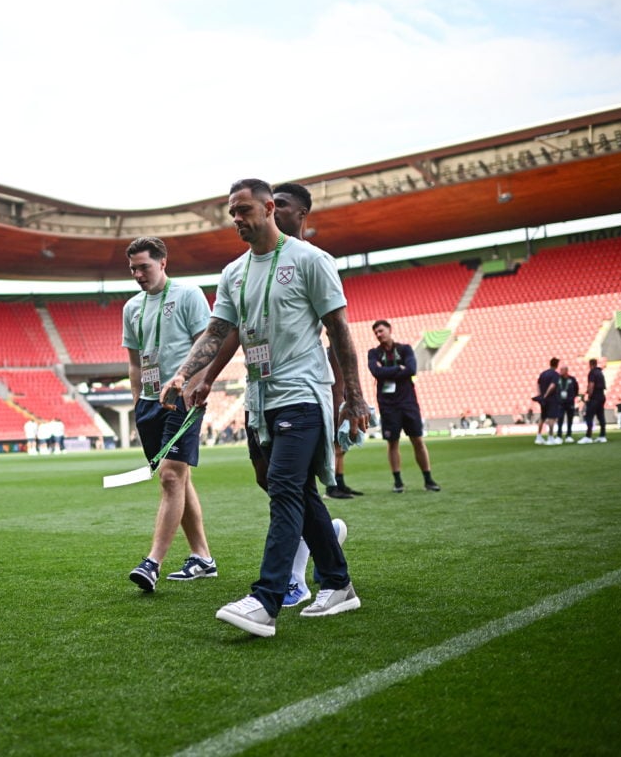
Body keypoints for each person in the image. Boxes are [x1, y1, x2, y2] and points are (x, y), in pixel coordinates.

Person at [161, 178, 368, 638]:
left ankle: (266, 599)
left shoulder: (312, 261)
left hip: (303, 391)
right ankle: (338, 584)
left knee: (283, 487)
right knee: (299, 492)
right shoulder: (234, 272)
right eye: (232, 212)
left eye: (244, 209)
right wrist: (186, 375)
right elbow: (217, 332)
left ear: (270, 208)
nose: (237, 218)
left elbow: (340, 332)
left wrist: (354, 398)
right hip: (260, 400)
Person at [121, 235, 216, 592]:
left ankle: (152, 563)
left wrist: (197, 386)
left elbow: (206, 345)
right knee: (179, 479)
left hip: (181, 398)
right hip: (147, 402)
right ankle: (202, 557)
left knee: (170, 478)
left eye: (143, 266)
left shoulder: (188, 295)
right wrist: (135, 402)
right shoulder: (131, 307)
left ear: (163, 263)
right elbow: (133, 361)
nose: (138, 274)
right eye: (132, 269)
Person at [368, 320, 442, 492]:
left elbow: (411, 369)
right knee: (392, 442)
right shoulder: (373, 353)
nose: (379, 335)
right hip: (387, 405)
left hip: (408, 403)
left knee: (417, 439)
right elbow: (376, 372)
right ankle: (398, 482)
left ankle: (428, 479)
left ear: (389, 330)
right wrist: (398, 369)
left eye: (381, 331)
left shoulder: (405, 349)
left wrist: (387, 371)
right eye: (376, 333)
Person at [579, 358, 608, 444]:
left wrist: (589, 395)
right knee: (601, 416)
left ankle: (588, 436)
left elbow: (591, 385)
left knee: (589, 416)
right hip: (601, 395)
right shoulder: (600, 373)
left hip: (595, 397)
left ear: (590, 364)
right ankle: (602, 435)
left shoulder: (592, 373)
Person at [534, 357, 560, 445]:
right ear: (556, 365)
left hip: (543, 400)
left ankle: (539, 436)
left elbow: (538, 384)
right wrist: (546, 395)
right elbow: (552, 386)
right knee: (552, 418)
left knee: (543, 417)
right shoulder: (555, 374)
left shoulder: (543, 373)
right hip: (551, 399)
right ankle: (550, 437)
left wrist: (540, 395)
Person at [553, 364, 580, 443]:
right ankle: (559, 436)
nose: (560, 371)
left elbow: (576, 389)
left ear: (566, 371)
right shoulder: (557, 379)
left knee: (570, 419)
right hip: (560, 403)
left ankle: (569, 435)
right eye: (560, 370)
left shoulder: (572, 379)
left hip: (570, 402)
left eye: (562, 370)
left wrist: (572, 397)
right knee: (560, 419)